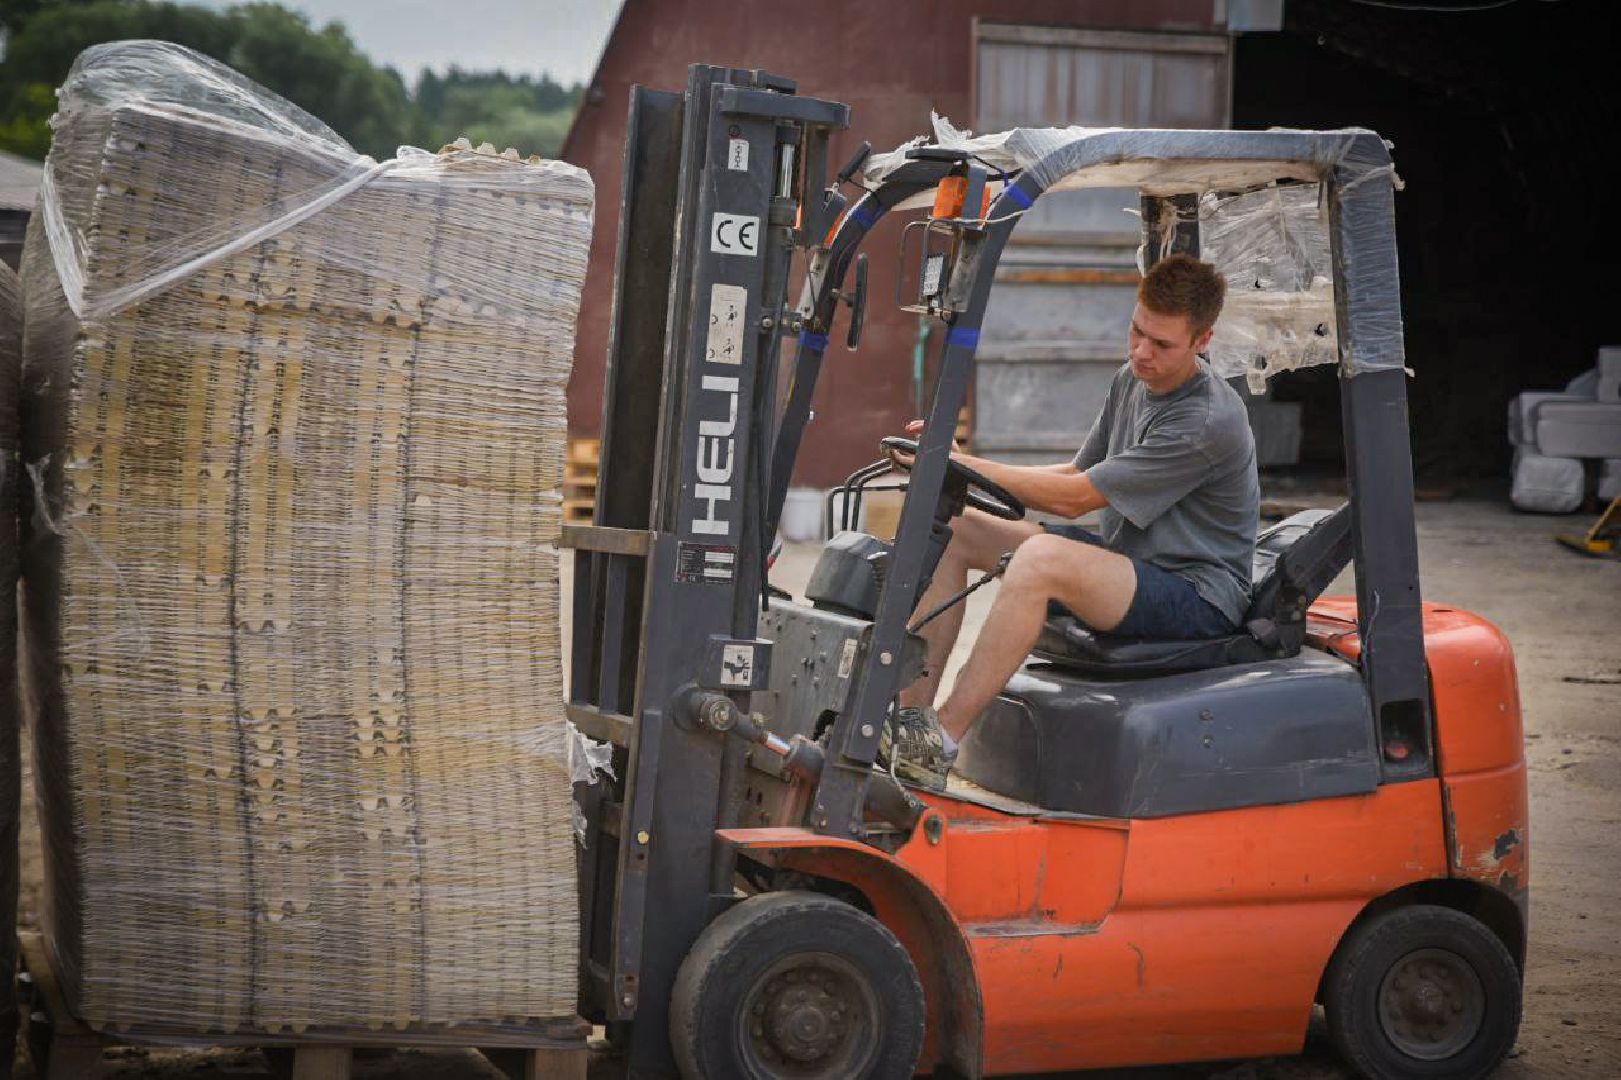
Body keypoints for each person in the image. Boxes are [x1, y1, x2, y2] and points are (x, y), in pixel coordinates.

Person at [882, 254, 1259, 788]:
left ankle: (939, 741)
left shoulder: (1206, 420)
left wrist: (955, 459)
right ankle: (909, 722)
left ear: (1203, 341)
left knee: (1038, 561)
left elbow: (1074, 500)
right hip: (1132, 566)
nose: (1141, 352)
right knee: (960, 530)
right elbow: (1078, 473)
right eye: (1136, 331)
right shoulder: (1133, 380)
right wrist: (964, 464)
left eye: (1162, 345)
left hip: (1195, 595)